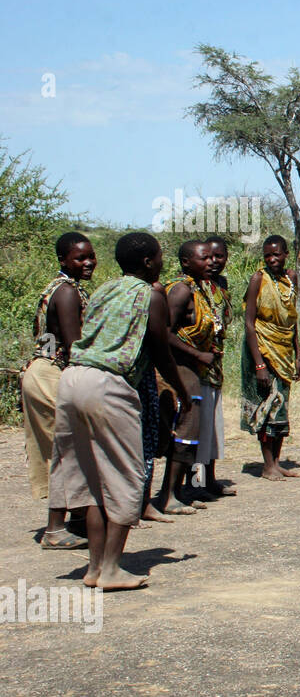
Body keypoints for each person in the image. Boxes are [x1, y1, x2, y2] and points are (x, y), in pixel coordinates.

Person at [46, 231, 190, 590]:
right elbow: (159, 348)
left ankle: (94, 568)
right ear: (147, 262)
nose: (161, 262)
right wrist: (182, 391)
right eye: (158, 257)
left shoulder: (104, 289)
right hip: (109, 385)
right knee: (126, 475)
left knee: (89, 478)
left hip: (73, 378)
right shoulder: (151, 295)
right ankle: (111, 568)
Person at [21, 231, 95, 549]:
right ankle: (54, 529)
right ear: (63, 260)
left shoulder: (64, 288)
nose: (89, 262)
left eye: (91, 256)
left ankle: (78, 519)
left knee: (70, 447)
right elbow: (73, 344)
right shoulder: (66, 292)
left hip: (46, 372)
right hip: (51, 375)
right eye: (80, 258)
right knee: (69, 449)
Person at [154, 240, 215, 515]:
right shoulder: (180, 290)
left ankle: (178, 491)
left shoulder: (199, 289)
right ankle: (168, 496)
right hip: (181, 367)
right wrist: (198, 354)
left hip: (192, 367)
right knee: (185, 432)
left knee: (191, 434)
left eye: (212, 258)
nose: (211, 262)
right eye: (204, 258)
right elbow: (163, 333)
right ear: (186, 262)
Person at [241, 235, 300, 479]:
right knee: (266, 405)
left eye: (277, 254)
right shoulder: (259, 278)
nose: (272, 259)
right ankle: (267, 465)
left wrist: (298, 354)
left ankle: (276, 462)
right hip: (262, 348)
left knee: (281, 406)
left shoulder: (291, 278)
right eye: (268, 255)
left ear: (286, 254)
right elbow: (248, 323)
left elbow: (292, 319)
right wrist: (259, 364)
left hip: (285, 349)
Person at [194, 235, 234, 499]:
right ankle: (196, 485)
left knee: (212, 427)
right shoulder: (190, 288)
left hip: (214, 364)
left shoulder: (221, 285)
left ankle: (209, 479)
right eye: (208, 257)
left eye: (219, 256)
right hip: (196, 366)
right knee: (197, 428)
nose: (214, 262)